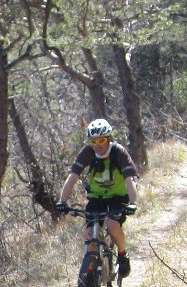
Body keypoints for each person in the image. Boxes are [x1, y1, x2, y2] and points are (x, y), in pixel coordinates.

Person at [55, 118, 139, 277]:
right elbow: (72, 177)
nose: (98, 144)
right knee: (90, 236)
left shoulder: (118, 152)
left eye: (101, 140)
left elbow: (129, 178)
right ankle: (91, 272)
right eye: (94, 141)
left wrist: (133, 202)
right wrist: (62, 201)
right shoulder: (88, 152)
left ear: (108, 139)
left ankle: (122, 255)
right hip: (96, 197)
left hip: (118, 196)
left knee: (113, 226)